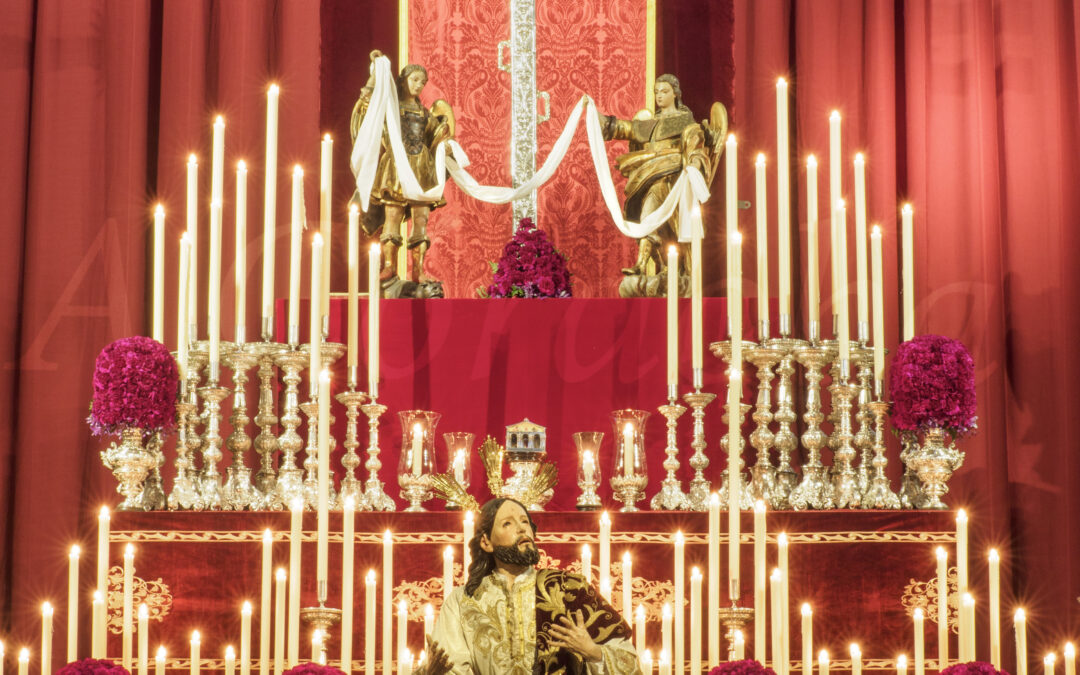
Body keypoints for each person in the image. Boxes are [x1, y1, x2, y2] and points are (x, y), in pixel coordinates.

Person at [421, 498, 640, 675]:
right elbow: (451, 667)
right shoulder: (463, 601)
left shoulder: (570, 589)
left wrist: (593, 652)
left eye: (525, 522)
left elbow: (629, 662)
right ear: (486, 542)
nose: (521, 529)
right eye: (508, 523)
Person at [599, 74, 726, 282]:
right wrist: (604, 122)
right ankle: (650, 265)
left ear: (675, 94)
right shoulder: (652, 122)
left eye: (664, 91)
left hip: (672, 181)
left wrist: (694, 162)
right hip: (650, 175)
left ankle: (645, 265)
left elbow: (695, 143)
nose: (659, 96)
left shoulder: (685, 121)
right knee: (648, 212)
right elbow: (629, 129)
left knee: (653, 210)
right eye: (656, 92)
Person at [350, 50, 455, 291]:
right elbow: (368, 109)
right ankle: (389, 266)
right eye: (414, 80)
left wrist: (445, 142)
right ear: (403, 80)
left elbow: (434, 135)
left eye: (423, 82)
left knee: (421, 219)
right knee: (393, 217)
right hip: (396, 167)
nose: (419, 85)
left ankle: (418, 271)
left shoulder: (424, 113)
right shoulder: (391, 109)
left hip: (420, 167)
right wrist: (374, 75)